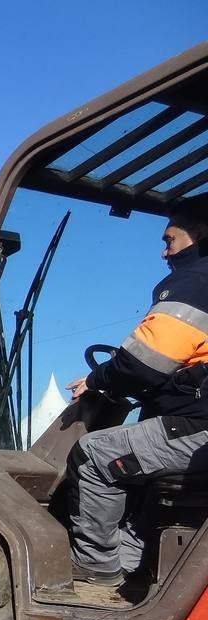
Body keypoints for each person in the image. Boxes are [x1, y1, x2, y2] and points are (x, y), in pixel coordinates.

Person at [66, 195, 208, 587]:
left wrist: (97, 380)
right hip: (194, 422)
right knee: (139, 481)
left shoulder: (195, 281)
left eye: (171, 240)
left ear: (199, 235)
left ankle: (95, 572)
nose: (165, 252)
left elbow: (144, 363)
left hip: (198, 426)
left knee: (94, 456)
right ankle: (137, 570)